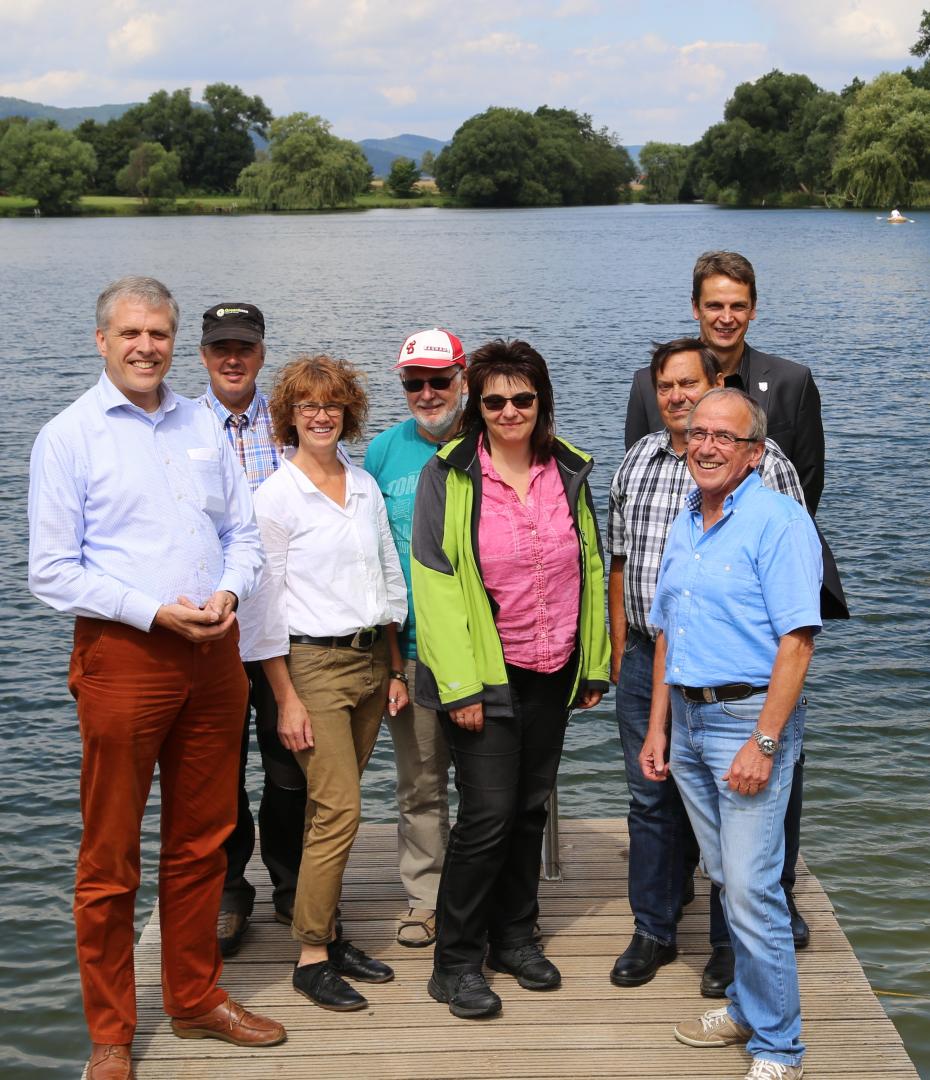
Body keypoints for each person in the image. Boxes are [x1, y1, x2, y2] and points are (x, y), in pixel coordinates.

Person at [28, 277, 286, 1080]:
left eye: (160, 333)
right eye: (131, 333)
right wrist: (151, 612)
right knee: (110, 855)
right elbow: (51, 571)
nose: (147, 347)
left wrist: (229, 592)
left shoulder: (202, 422)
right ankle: (111, 1034)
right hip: (125, 656)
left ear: (176, 342)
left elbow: (242, 534)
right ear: (102, 341)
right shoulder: (68, 436)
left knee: (203, 841)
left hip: (214, 652)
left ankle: (195, 997)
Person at [624, 250, 848, 963]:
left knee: (767, 785)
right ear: (696, 308)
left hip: (747, 641)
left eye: (737, 304)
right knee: (657, 794)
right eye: (713, 304)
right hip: (659, 639)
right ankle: (659, 923)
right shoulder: (652, 395)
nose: (725, 316)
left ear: (752, 309)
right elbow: (634, 518)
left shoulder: (790, 384)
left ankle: (758, 913)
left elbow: (804, 493)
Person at [411, 339, 611, 1019]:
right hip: (483, 676)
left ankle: (516, 938)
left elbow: (589, 566)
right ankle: (455, 962)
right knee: (487, 817)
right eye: (494, 400)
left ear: (541, 401)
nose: (508, 411)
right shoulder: (450, 473)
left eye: (522, 398)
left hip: (552, 668)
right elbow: (435, 585)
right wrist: (460, 687)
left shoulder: (568, 469)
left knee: (529, 808)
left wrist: (594, 662)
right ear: (478, 404)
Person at [607, 340, 806, 993]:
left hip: (736, 681)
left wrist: (768, 732)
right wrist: (617, 648)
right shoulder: (641, 463)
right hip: (655, 657)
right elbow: (619, 561)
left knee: (741, 847)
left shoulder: (766, 478)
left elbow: (793, 607)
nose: (676, 396)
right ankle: (654, 929)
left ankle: (731, 950)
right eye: (664, 386)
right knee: (651, 800)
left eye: (687, 383)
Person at [643, 387, 821, 1080]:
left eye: (726, 437)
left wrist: (765, 742)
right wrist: (658, 729)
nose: (708, 446)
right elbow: (668, 630)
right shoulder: (688, 519)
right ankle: (749, 1006)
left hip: (746, 721)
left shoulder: (779, 521)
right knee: (725, 877)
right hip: (688, 720)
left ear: (754, 453)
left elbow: (798, 642)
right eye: (699, 433)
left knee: (750, 888)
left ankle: (779, 1047)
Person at [246, 356, 409, 1012]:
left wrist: (394, 666)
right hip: (311, 666)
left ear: (348, 413)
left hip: (369, 661)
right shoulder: (275, 497)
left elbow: (386, 574)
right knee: (341, 808)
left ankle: (330, 932)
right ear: (289, 416)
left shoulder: (362, 484)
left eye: (333, 404)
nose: (321, 415)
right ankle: (311, 955)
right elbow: (264, 608)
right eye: (308, 405)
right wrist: (285, 698)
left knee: (327, 811)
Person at [196, 301, 306, 956]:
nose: (232, 359)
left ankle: (291, 885)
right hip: (212, 627)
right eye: (221, 348)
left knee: (289, 763)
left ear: (262, 353)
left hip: (286, 626)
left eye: (244, 347)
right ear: (203, 355)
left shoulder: (294, 422)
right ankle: (230, 889)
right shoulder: (179, 427)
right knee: (219, 769)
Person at [363, 328, 465, 948]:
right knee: (420, 785)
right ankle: (426, 897)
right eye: (413, 383)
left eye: (439, 380)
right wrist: (392, 662)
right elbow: (368, 558)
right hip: (412, 653)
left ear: (462, 377)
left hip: (485, 653)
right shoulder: (381, 452)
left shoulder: (493, 437)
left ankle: (489, 900)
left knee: (490, 788)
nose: (427, 393)